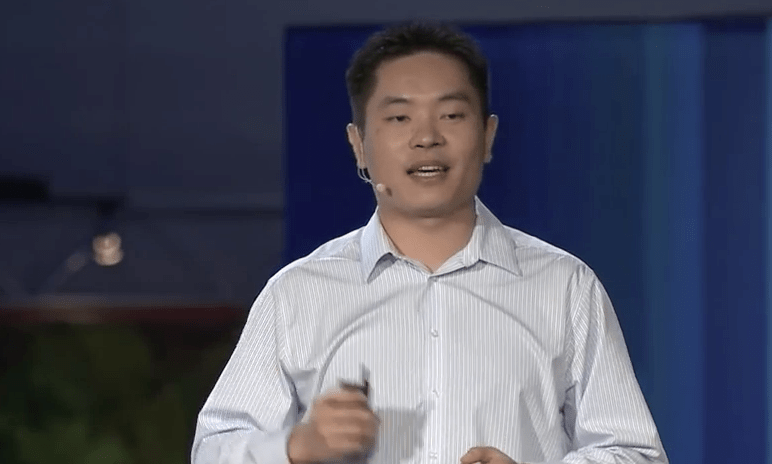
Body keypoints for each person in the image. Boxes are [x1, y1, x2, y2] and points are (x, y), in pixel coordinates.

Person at [192, 22, 668, 464]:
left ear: (487, 135)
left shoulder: (564, 286)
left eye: (451, 114)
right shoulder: (297, 294)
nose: (426, 138)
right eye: (399, 117)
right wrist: (298, 446)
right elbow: (214, 450)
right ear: (358, 144)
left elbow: (635, 453)